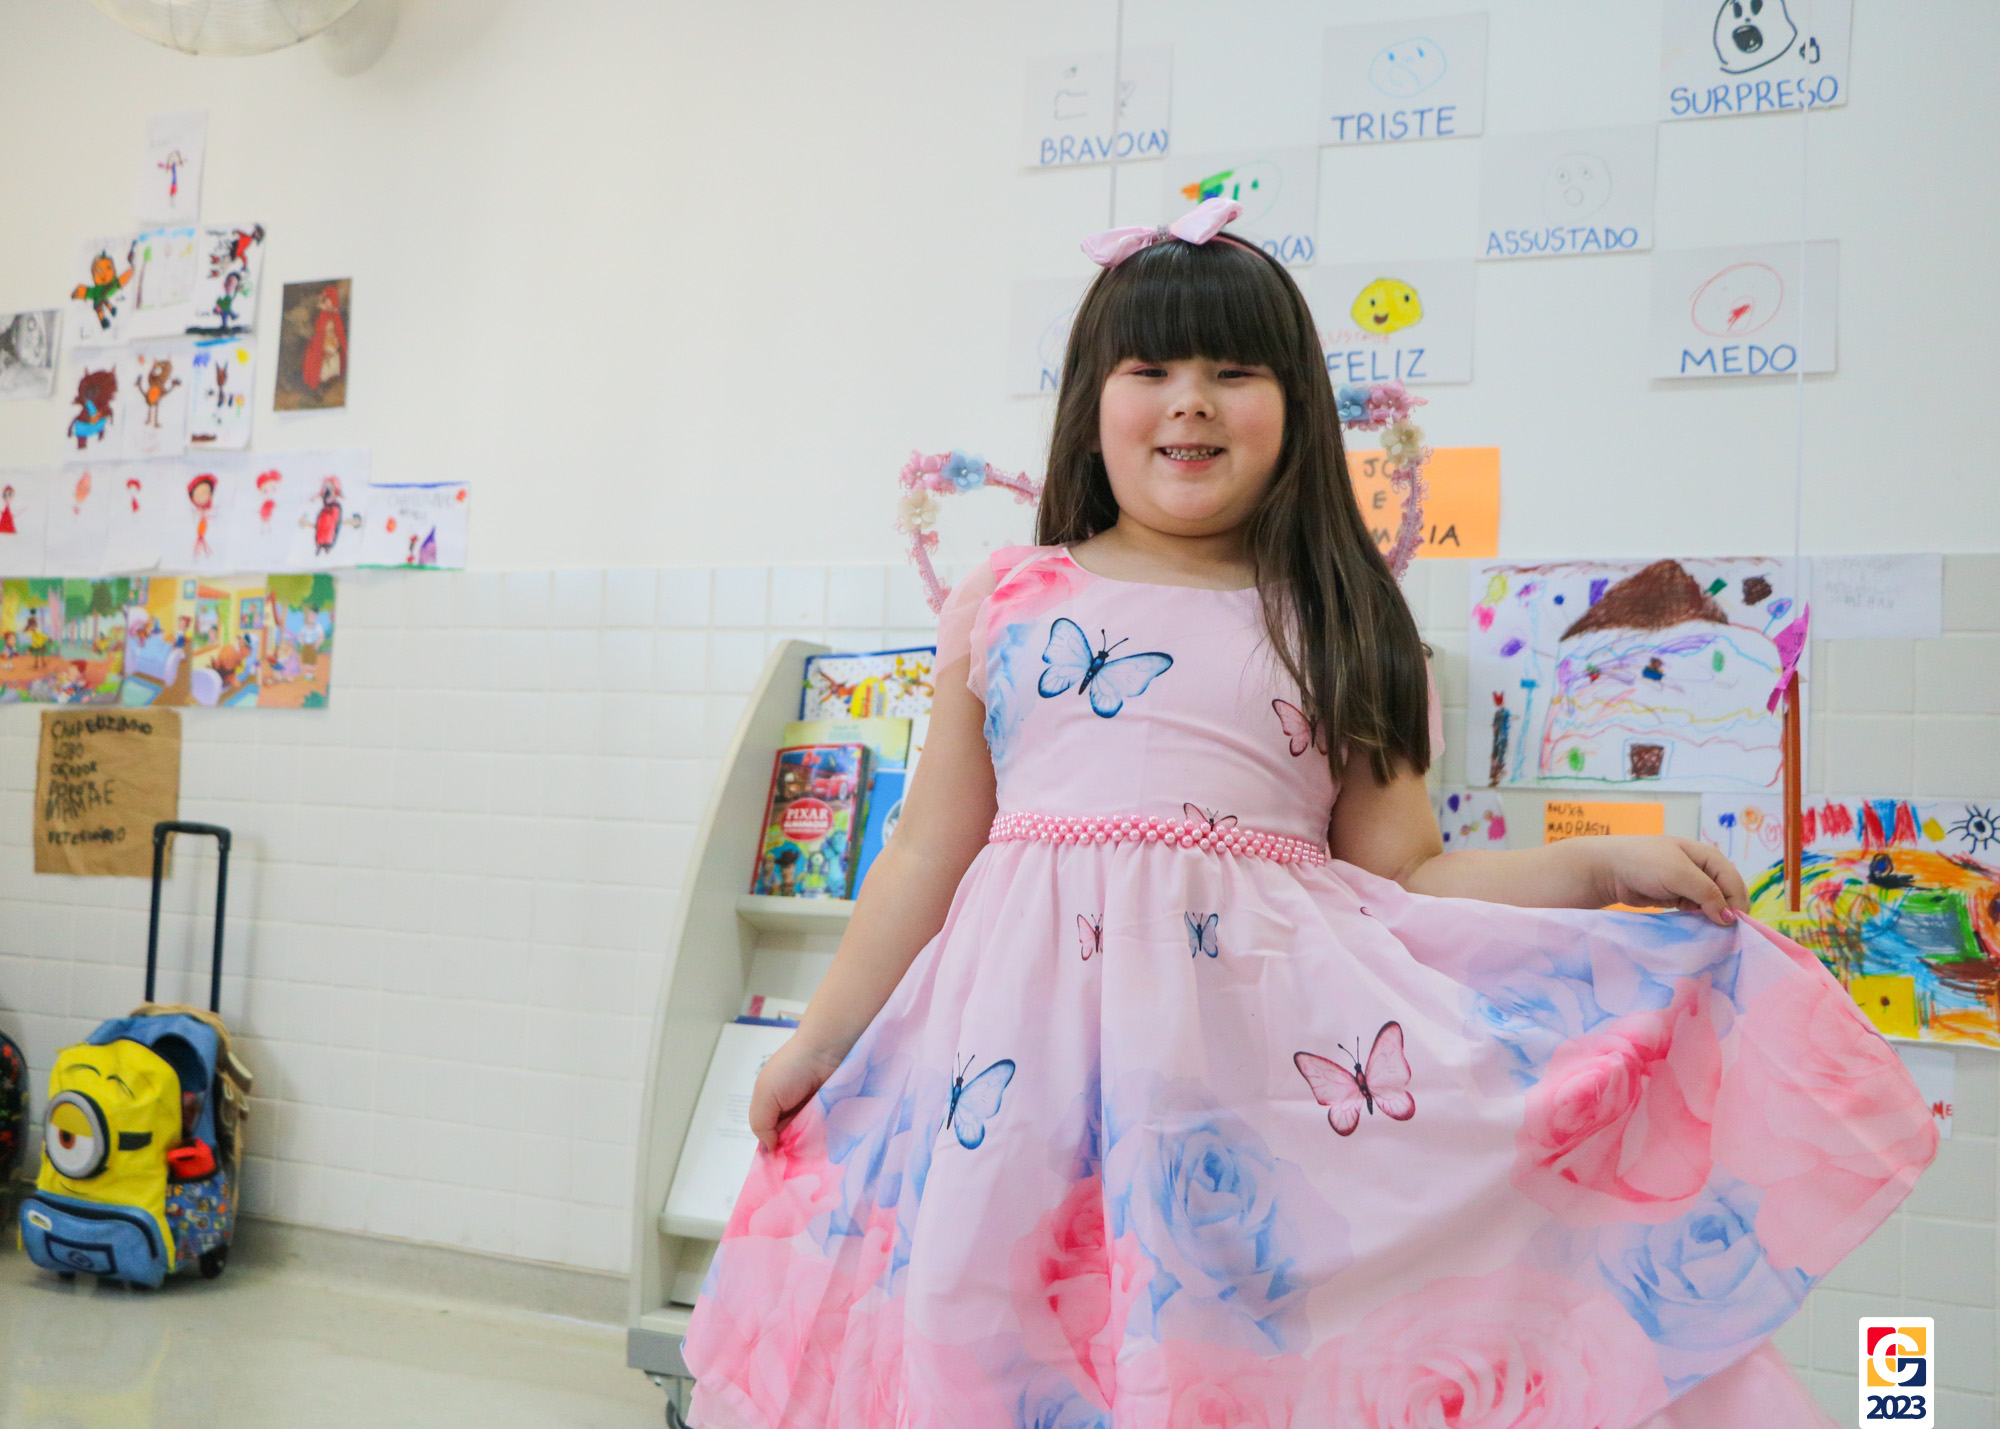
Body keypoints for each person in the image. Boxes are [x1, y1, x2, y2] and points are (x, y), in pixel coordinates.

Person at [682, 199, 1936, 1429]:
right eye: (1149, 369)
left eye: (1232, 371)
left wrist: (1599, 865)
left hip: (1242, 1083)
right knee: (1002, 1338)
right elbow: (924, 850)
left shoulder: (1336, 614)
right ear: (1088, 406)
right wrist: (818, 1042)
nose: (1188, 400)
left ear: (1294, 406)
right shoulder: (1007, 599)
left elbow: (1409, 874)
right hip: (1014, 1081)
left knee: (1210, 1356)